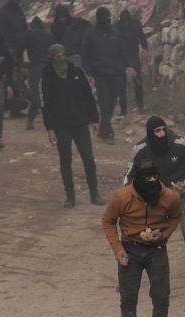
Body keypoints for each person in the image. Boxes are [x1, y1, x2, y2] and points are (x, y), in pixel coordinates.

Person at [102, 159, 182, 317]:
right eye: (147, 178)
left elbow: (175, 216)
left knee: (161, 296)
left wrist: (164, 234)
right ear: (137, 179)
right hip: (131, 250)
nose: (152, 181)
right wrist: (118, 249)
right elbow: (108, 221)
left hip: (157, 250)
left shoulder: (170, 197)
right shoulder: (122, 197)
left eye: (155, 177)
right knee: (128, 300)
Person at [125, 116, 185, 296]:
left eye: (163, 130)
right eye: (157, 131)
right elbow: (128, 176)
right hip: (158, 196)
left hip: (182, 192)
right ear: (150, 133)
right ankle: (132, 275)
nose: (162, 134)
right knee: (149, 234)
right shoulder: (140, 149)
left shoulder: (177, 143)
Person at [40, 44, 105, 208]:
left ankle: (94, 194)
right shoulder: (46, 76)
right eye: (57, 56)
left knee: (88, 159)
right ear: (52, 58)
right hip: (61, 125)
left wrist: (95, 119)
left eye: (63, 55)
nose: (61, 58)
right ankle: (70, 197)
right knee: (65, 160)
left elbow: (89, 95)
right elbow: (45, 105)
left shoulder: (76, 72)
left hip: (80, 123)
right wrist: (50, 129)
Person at [82, 7, 128, 145]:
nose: (107, 20)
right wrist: (90, 72)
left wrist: (126, 66)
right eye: (104, 17)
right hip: (100, 74)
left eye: (108, 17)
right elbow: (85, 56)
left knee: (112, 103)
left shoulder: (116, 33)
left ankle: (103, 129)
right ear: (98, 18)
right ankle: (108, 133)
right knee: (104, 103)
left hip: (116, 74)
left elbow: (123, 51)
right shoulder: (90, 34)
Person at [17, 16, 55, 130]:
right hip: (49, 68)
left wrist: (20, 64)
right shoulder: (49, 35)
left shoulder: (28, 34)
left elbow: (19, 50)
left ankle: (31, 120)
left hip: (36, 68)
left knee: (35, 96)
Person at [0, 0, 27, 118]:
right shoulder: (3, 13)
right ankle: (2, 108)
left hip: (18, 50)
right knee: (6, 80)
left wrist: (23, 45)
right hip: (7, 50)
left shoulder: (19, 12)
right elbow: (0, 32)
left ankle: (16, 108)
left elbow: (24, 29)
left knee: (17, 79)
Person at [116, 9, 148, 115]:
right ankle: (124, 110)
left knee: (138, 81)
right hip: (120, 58)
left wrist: (145, 48)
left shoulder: (135, 24)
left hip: (133, 55)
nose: (125, 23)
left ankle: (140, 107)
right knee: (121, 84)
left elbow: (142, 37)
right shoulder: (116, 26)